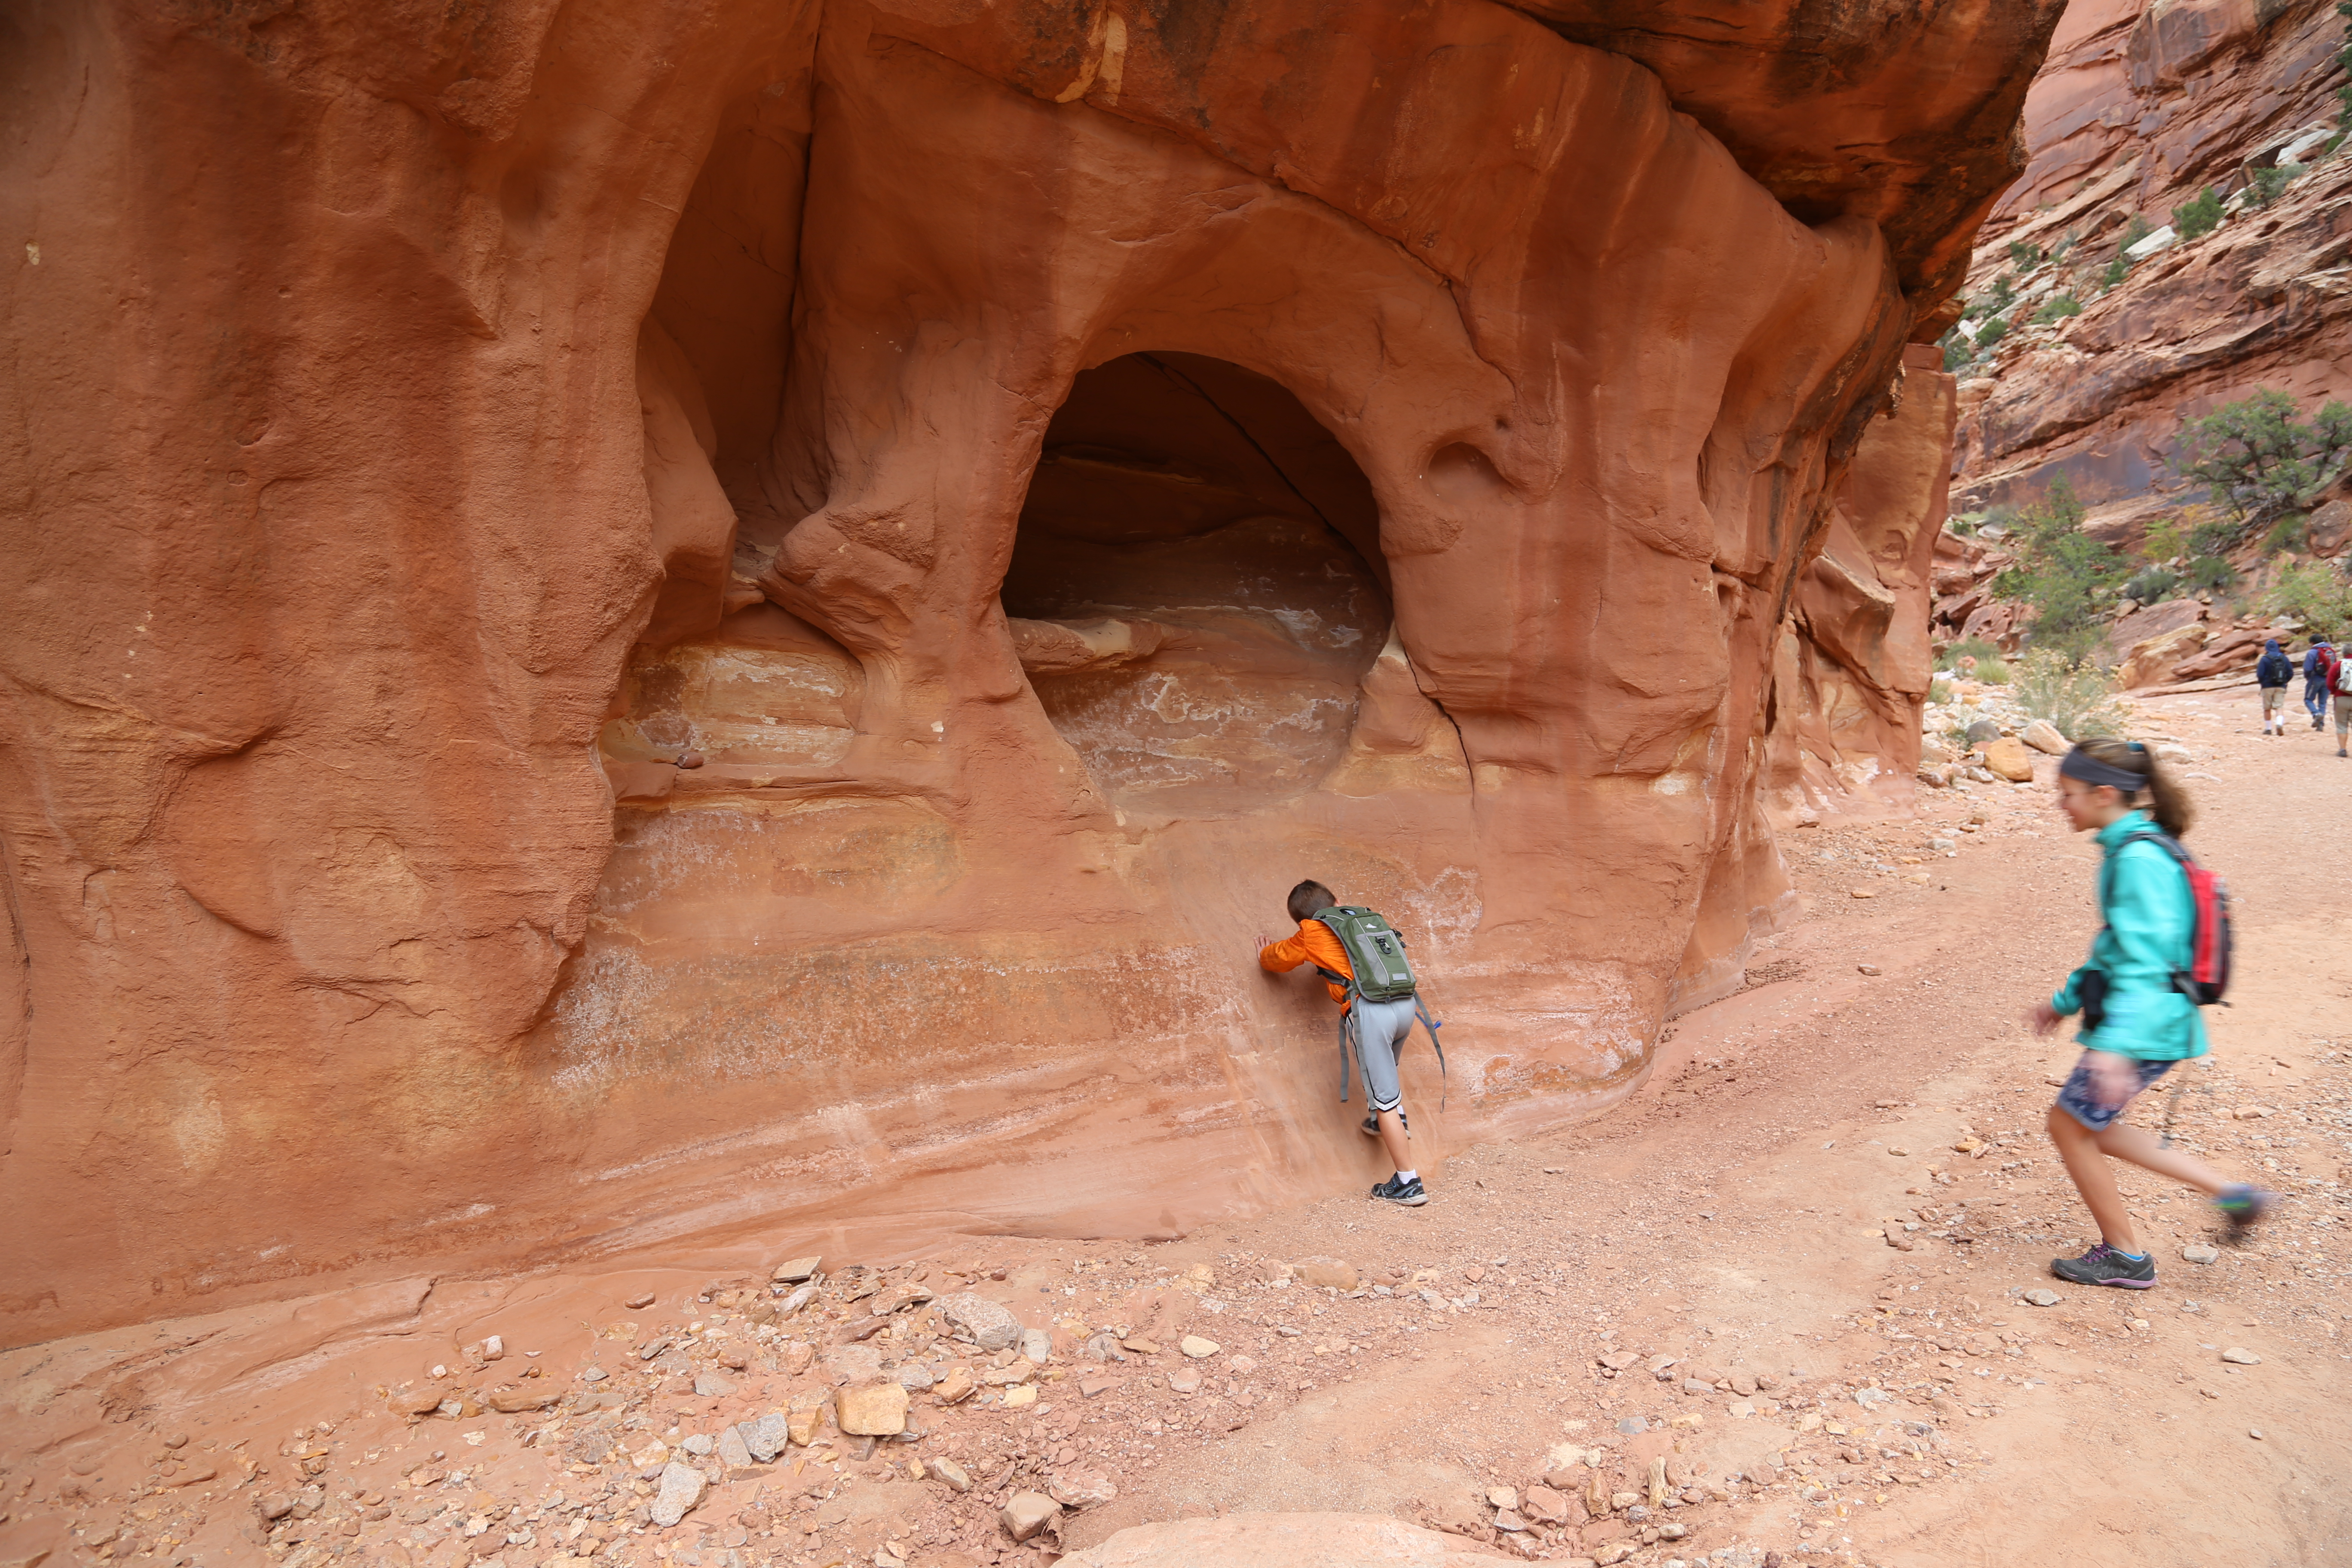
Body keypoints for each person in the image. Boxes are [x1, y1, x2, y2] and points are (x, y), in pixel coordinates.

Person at [2027, 738, 2272, 1287]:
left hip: (2144, 1027)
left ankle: (2127, 1257)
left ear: (2105, 793)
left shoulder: (2136, 858)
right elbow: (2113, 949)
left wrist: (2115, 1045)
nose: (2061, 805)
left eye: (2067, 794)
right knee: (2092, 1125)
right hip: (2156, 1023)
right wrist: (2062, 1004)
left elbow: (2144, 959)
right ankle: (2234, 1196)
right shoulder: (2136, 847)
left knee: (2068, 1125)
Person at [1258, 879, 1428, 1207]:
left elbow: (1277, 959)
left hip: (1371, 1012)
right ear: (1336, 900)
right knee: (1384, 1076)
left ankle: (1409, 1183)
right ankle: (1395, 1117)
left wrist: (1263, 953)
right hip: (1406, 1004)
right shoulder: (1363, 918)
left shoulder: (1311, 931)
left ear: (1301, 921)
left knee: (1384, 1100)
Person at [2254, 638, 2292, 735]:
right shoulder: (2284, 658)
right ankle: (2279, 724)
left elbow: (2260, 674)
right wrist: (2284, 681)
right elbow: (2290, 673)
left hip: (2267, 687)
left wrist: (2263, 683)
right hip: (2281, 686)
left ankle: (2268, 729)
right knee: (2279, 707)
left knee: (2267, 708)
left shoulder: (2265, 659)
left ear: (2266, 648)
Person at [2302, 638, 2335, 731]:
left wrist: (2308, 678)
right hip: (2328, 679)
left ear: (2312, 643)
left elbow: (2308, 669)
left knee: (2308, 700)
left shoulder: (2312, 652)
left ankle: (2316, 714)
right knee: (2323, 702)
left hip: (2315, 679)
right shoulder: (2331, 651)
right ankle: (2321, 725)